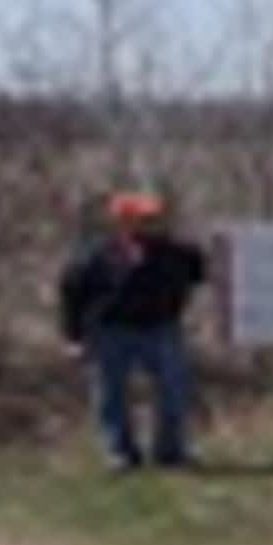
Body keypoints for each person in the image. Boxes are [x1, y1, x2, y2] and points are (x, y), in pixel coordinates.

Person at [58, 191, 209, 473]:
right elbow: (72, 293)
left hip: (161, 330)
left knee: (173, 392)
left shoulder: (177, 252)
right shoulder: (96, 255)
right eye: (142, 218)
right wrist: (73, 338)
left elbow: (202, 273)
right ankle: (121, 454)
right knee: (110, 395)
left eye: (153, 218)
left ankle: (171, 453)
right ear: (122, 222)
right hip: (111, 332)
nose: (150, 224)